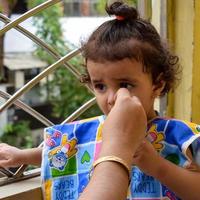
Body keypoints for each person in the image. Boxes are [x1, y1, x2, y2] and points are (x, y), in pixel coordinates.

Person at [0, 1, 200, 199]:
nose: (112, 98)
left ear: (158, 84)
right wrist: (22, 156)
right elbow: (65, 152)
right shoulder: (89, 132)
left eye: (125, 85)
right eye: (100, 86)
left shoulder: (183, 137)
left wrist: (159, 167)